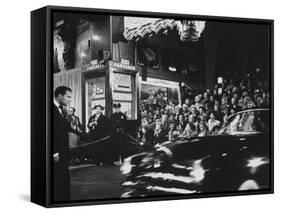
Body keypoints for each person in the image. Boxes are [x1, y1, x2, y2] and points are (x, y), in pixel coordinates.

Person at [53, 86, 72, 201]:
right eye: (68, 96)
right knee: (58, 178)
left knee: (63, 178)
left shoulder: (61, 109)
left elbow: (64, 128)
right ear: (60, 96)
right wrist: (54, 152)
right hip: (56, 153)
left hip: (63, 151)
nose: (70, 99)